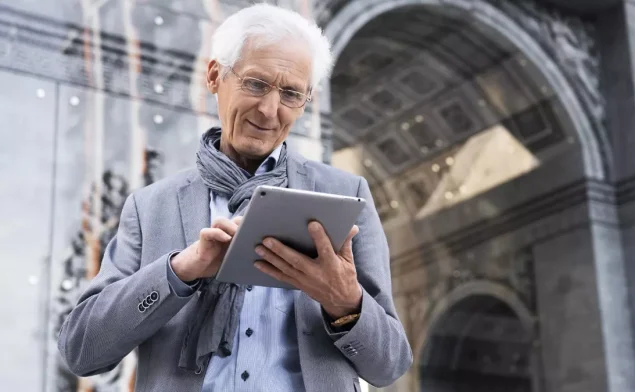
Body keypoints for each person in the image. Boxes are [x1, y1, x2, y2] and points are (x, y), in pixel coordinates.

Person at [57, 4, 412, 392]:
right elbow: (82, 350)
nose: (269, 110)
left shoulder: (346, 195)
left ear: (306, 101)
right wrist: (180, 270)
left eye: (291, 93)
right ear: (215, 76)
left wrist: (346, 302)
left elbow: (389, 366)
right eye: (256, 84)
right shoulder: (149, 208)